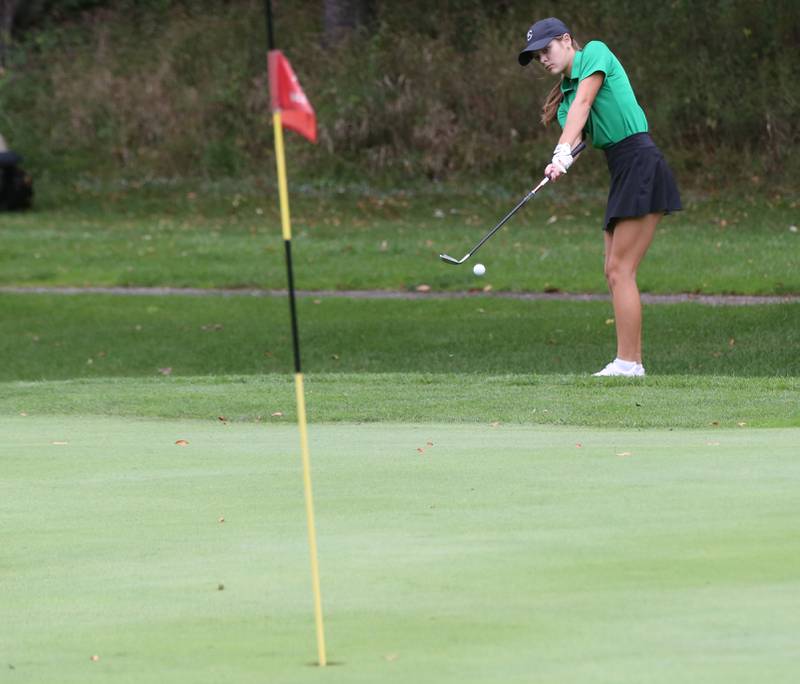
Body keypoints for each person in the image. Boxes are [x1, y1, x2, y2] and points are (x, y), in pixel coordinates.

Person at [519, 18, 681, 377]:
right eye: (536, 57)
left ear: (566, 41)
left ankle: (627, 364)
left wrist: (561, 148)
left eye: (546, 50)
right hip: (622, 170)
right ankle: (631, 363)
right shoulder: (564, 100)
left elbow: (586, 101)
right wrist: (560, 161)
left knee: (621, 269)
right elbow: (575, 136)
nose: (543, 60)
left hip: (640, 160)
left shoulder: (595, 53)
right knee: (613, 271)